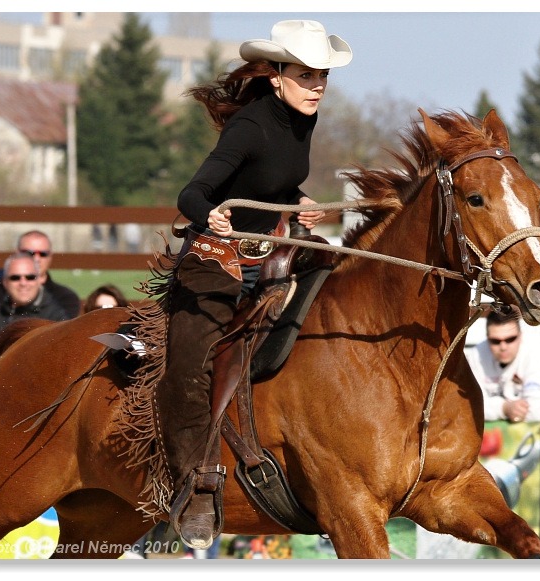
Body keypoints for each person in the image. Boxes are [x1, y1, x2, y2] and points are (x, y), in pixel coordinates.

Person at [152, 20, 352, 550]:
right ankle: (195, 487)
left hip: (269, 256)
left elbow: (276, 179)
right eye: (306, 75)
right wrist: (210, 217)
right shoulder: (250, 126)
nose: (317, 87)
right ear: (278, 76)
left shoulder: (302, 118)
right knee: (188, 364)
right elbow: (192, 192)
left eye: (322, 77)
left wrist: (300, 200)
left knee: (337, 271)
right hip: (215, 259)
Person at [466, 309, 540, 422]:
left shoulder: (539, 352)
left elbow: (536, 412)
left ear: (520, 335)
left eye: (510, 339)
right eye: (495, 341)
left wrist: (495, 408)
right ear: (487, 338)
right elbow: (469, 405)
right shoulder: (476, 355)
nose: (503, 347)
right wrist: (504, 408)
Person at [0, 230, 82, 318]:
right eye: (29, 253)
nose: (36, 259)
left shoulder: (64, 298)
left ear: (50, 256)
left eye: (43, 254)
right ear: (17, 253)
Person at [0, 251, 71, 348]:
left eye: (30, 277)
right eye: (15, 277)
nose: (23, 283)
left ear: (40, 280)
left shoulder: (56, 318)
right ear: (5, 282)